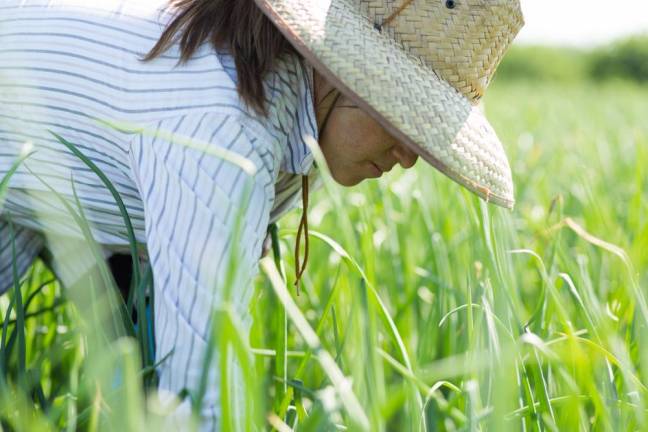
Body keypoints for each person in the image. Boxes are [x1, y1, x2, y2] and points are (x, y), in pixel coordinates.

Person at [0, 0, 524, 429]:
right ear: (343, 75)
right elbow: (200, 389)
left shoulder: (292, 113)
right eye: (405, 119)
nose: (410, 156)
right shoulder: (225, 128)